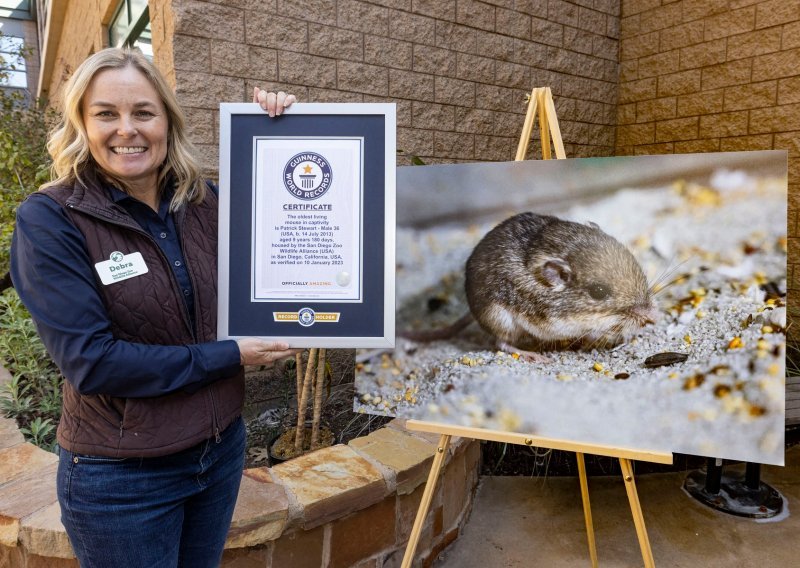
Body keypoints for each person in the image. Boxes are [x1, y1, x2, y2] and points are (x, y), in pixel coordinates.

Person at [10, 47, 298, 567]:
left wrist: (281, 130)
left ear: (167, 119)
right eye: (106, 114)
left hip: (220, 451)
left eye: (143, 112)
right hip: (124, 478)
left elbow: (292, 221)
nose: (127, 129)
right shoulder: (52, 221)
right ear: (82, 124)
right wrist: (230, 355)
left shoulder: (205, 202)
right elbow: (92, 362)